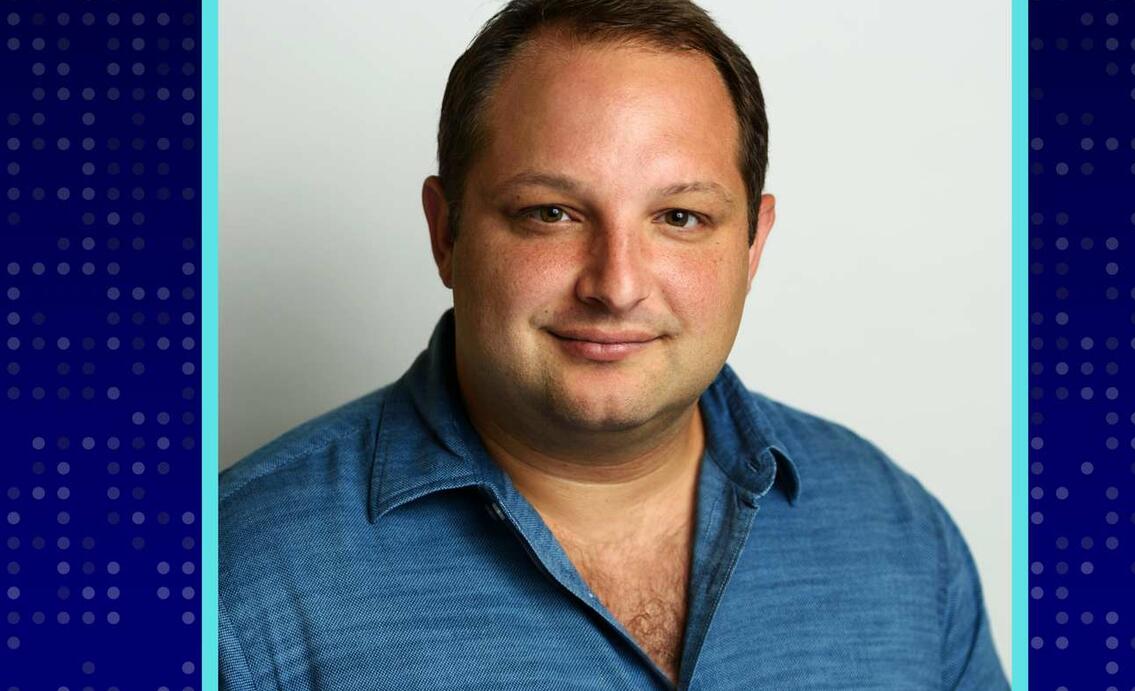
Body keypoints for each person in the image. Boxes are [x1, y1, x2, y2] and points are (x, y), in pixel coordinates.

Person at [219, 1, 1009, 688]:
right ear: (446, 232)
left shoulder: (902, 539)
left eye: (680, 218)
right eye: (551, 213)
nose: (616, 284)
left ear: (753, 245)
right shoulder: (229, 583)